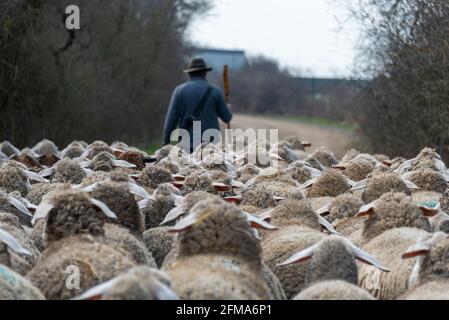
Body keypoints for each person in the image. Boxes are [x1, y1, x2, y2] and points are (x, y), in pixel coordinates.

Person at [162, 57, 233, 153]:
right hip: (211, 148)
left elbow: (171, 122)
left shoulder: (179, 91)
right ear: (205, 73)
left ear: (189, 73)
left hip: (186, 147)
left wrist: (166, 145)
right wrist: (228, 109)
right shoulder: (215, 91)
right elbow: (227, 118)